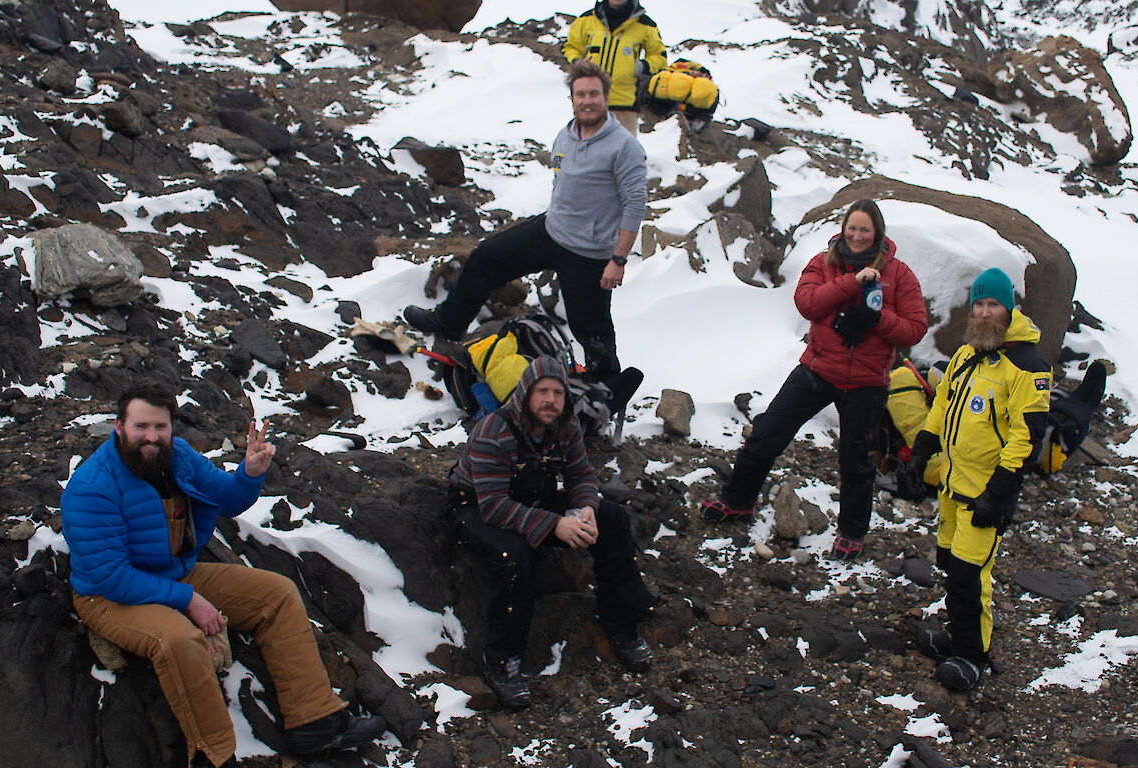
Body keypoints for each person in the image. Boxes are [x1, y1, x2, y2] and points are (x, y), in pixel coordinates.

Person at [61, 382, 386, 767]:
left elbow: (228, 499)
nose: (151, 436)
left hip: (172, 574)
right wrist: (189, 600)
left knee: (277, 593)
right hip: (109, 596)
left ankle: (314, 721)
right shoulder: (92, 487)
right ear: (119, 427)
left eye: (160, 427)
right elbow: (110, 576)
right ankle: (213, 757)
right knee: (179, 639)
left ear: (171, 428)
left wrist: (249, 472)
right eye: (140, 427)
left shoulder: (177, 456)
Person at [698, 200, 928, 561]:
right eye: (852, 228)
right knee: (767, 433)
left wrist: (876, 319)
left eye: (865, 229)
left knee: (856, 460)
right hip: (818, 370)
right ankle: (737, 502)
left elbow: (914, 329)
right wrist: (853, 283)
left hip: (867, 382)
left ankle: (852, 532)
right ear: (843, 228)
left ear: (878, 234)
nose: (856, 235)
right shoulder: (824, 263)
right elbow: (808, 303)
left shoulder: (899, 275)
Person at [404, 59, 647, 379]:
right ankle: (449, 323)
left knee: (591, 328)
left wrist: (618, 258)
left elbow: (635, 203)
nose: (587, 100)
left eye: (594, 94)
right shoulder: (566, 135)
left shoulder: (625, 147)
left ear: (606, 97)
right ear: (572, 98)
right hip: (550, 231)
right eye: (580, 94)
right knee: (484, 258)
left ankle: (605, 384)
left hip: (589, 254)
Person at [447, 356, 657, 709]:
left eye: (558, 392)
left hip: (531, 495)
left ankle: (622, 622)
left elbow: (580, 475)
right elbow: (494, 506)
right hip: (475, 505)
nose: (550, 400)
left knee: (613, 518)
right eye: (541, 391)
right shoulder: (493, 431)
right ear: (525, 393)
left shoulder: (566, 425)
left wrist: (585, 508)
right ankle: (503, 661)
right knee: (511, 554)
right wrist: (554, 524)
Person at [908, 268, 1052, 691]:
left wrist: (1001, 492)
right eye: (980, 305)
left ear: (1009, 309)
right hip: (953, 487)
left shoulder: (1026, 365)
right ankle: (958, 636)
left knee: (972, 575)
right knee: (951, 565)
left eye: (994, 305)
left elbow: (1027, 436)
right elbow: (942, 403)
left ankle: (973, 657)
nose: (986, 312)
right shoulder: (967, 354)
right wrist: (922, 450)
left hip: (986, 492)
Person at [561, 0, 666, 135]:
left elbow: (659, 57)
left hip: (625, 105)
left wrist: (639, 67)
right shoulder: (587, 19)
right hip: (590, 104)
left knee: (625, 154)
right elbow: (570, 47)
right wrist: (577, 63)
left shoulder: (646, 25)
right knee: (586, 153)